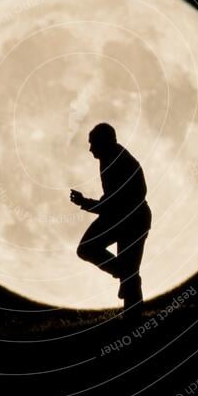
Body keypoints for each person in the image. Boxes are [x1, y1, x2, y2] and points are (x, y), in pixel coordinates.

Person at [70, 123, 152, 318]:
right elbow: (112, 200)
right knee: (125, 268)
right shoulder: (109, 158)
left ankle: (132, 312)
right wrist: (88, 203)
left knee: (122, 265)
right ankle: (127, 278)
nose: (90, 150)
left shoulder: (120, 160)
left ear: (104, 142)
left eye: (93, 144)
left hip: (133, 219)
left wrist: (86, 203)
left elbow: (117, 200)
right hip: (121, 217)